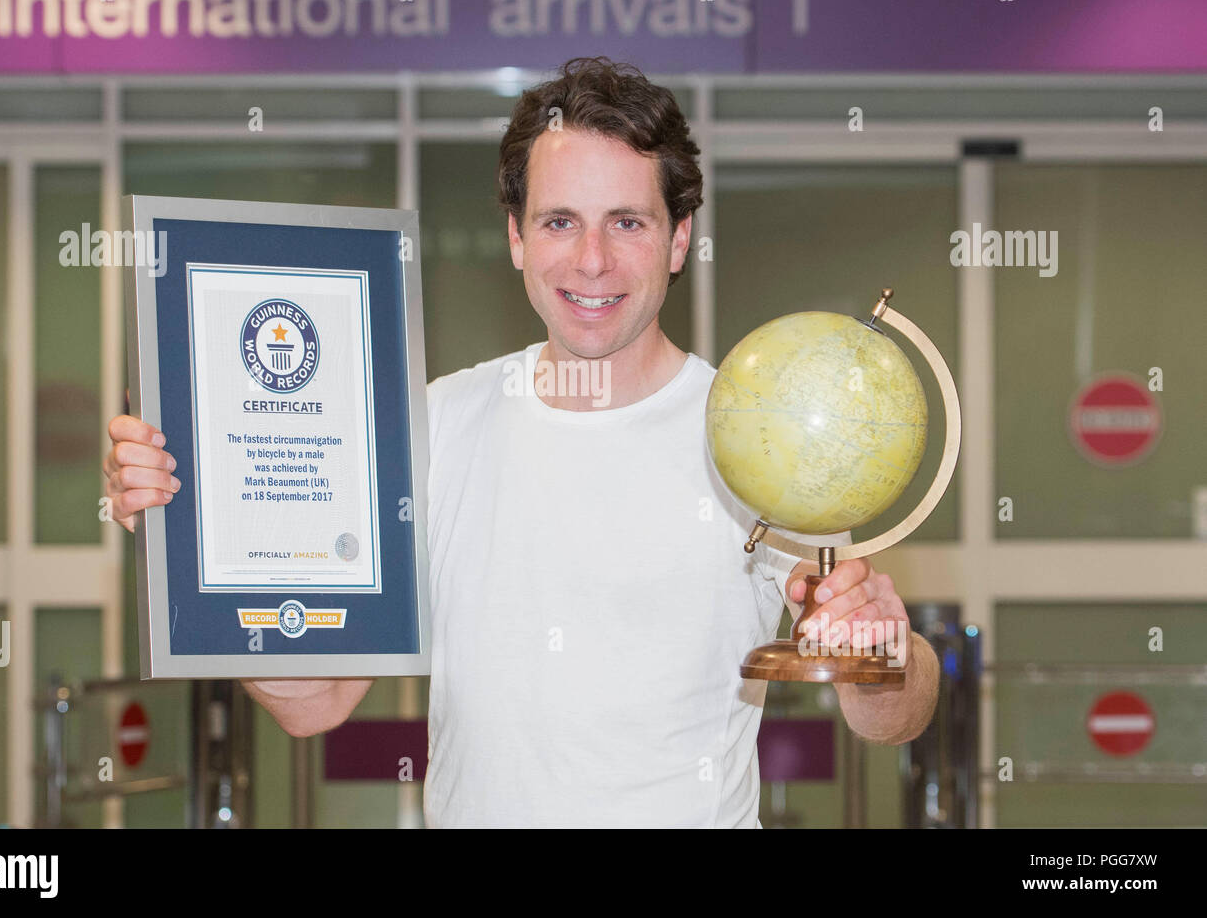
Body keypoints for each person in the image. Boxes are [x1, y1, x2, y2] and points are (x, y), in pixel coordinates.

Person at [104, 56, 939, 827]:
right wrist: (198, 524)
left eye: (628, 222)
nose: (592, 260)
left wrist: (882, 647)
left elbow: (896, 713)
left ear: (680, 237)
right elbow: (314, 699)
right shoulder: (431, 427)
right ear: (515, 235)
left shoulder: (768, 435)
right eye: (559, 221)